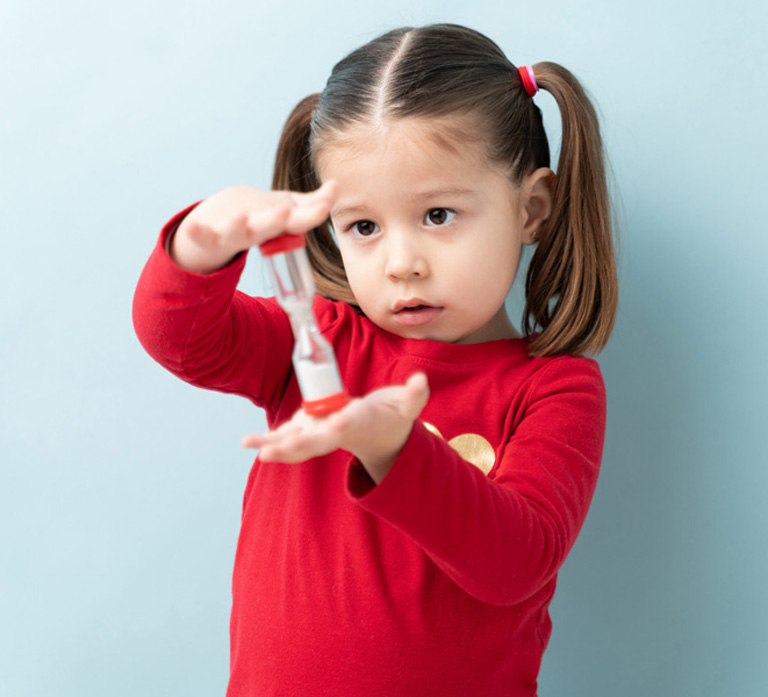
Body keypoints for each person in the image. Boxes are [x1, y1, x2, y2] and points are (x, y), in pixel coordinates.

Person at [133, 23, 617, 697]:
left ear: (531, 208)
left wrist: (394, 447)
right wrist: (199, 242)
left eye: (440, 215)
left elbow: (515, 562)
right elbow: (182, 337)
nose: (401, 263)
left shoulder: (554, 388)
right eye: (363, 226)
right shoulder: (315, 343)